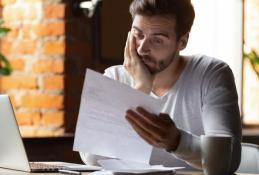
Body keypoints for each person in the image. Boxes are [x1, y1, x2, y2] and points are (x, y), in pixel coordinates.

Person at [80, 0, 242, 172]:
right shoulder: (114, 77)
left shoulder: (212, 74)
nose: (142, 49)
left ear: (182, 41)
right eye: (138, 35)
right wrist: (140, 89)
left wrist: (177, 142)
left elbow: (227, 160)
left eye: (157, 40)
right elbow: (92, 158)